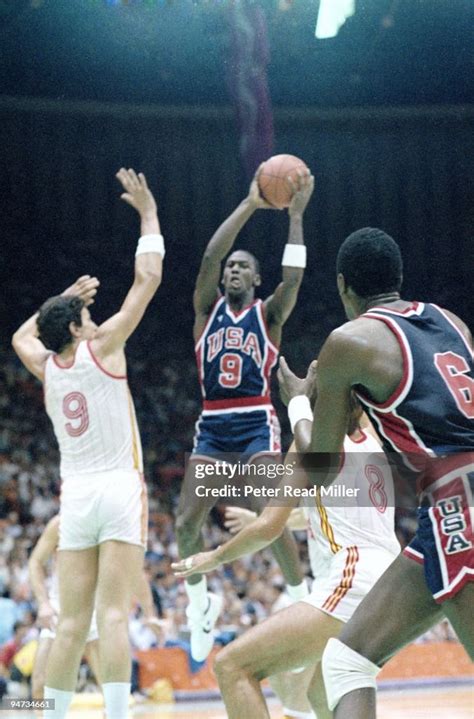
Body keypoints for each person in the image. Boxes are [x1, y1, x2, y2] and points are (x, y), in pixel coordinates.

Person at [276, 227, 473, 718]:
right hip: (443, 510)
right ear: (399, 277)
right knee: (345, 661)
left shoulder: (349, 341)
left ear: (344, 286)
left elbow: (322, 471)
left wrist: (299, 402)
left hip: (457, 500)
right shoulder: (451, 322)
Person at [12, 168, 164, 719]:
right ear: (79, 328)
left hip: (74, 495)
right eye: (84, 312)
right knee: (114, 618)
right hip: (119, 488)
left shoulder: (46, 366)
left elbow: (21, 337)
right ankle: (117, 715)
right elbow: (147, 279)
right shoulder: (106, 344)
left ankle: (51, 715)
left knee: (73, 624)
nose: (91, 313)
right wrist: (147, 213)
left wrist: (60, 300)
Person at [172, 389, 401, 719]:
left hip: (355, 577)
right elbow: (320, 509)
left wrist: (215, 556)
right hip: (392, 586)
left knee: (233, 665)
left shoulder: (314, 446)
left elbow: (270, 526)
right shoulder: (374, 439)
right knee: (322, 694)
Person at [175, 166, 315, 661]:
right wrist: (252, 203)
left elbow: (294, 277)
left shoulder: (268, 315)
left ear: (256, 279)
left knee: (265, 512)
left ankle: (300, 596)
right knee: (185, 524)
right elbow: (210, 256)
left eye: (242, 267)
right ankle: (199, 604)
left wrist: (295, 216)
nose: (232, 270)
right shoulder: (204, 311)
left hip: (256, 420)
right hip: (213, 426)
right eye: (229, 267)